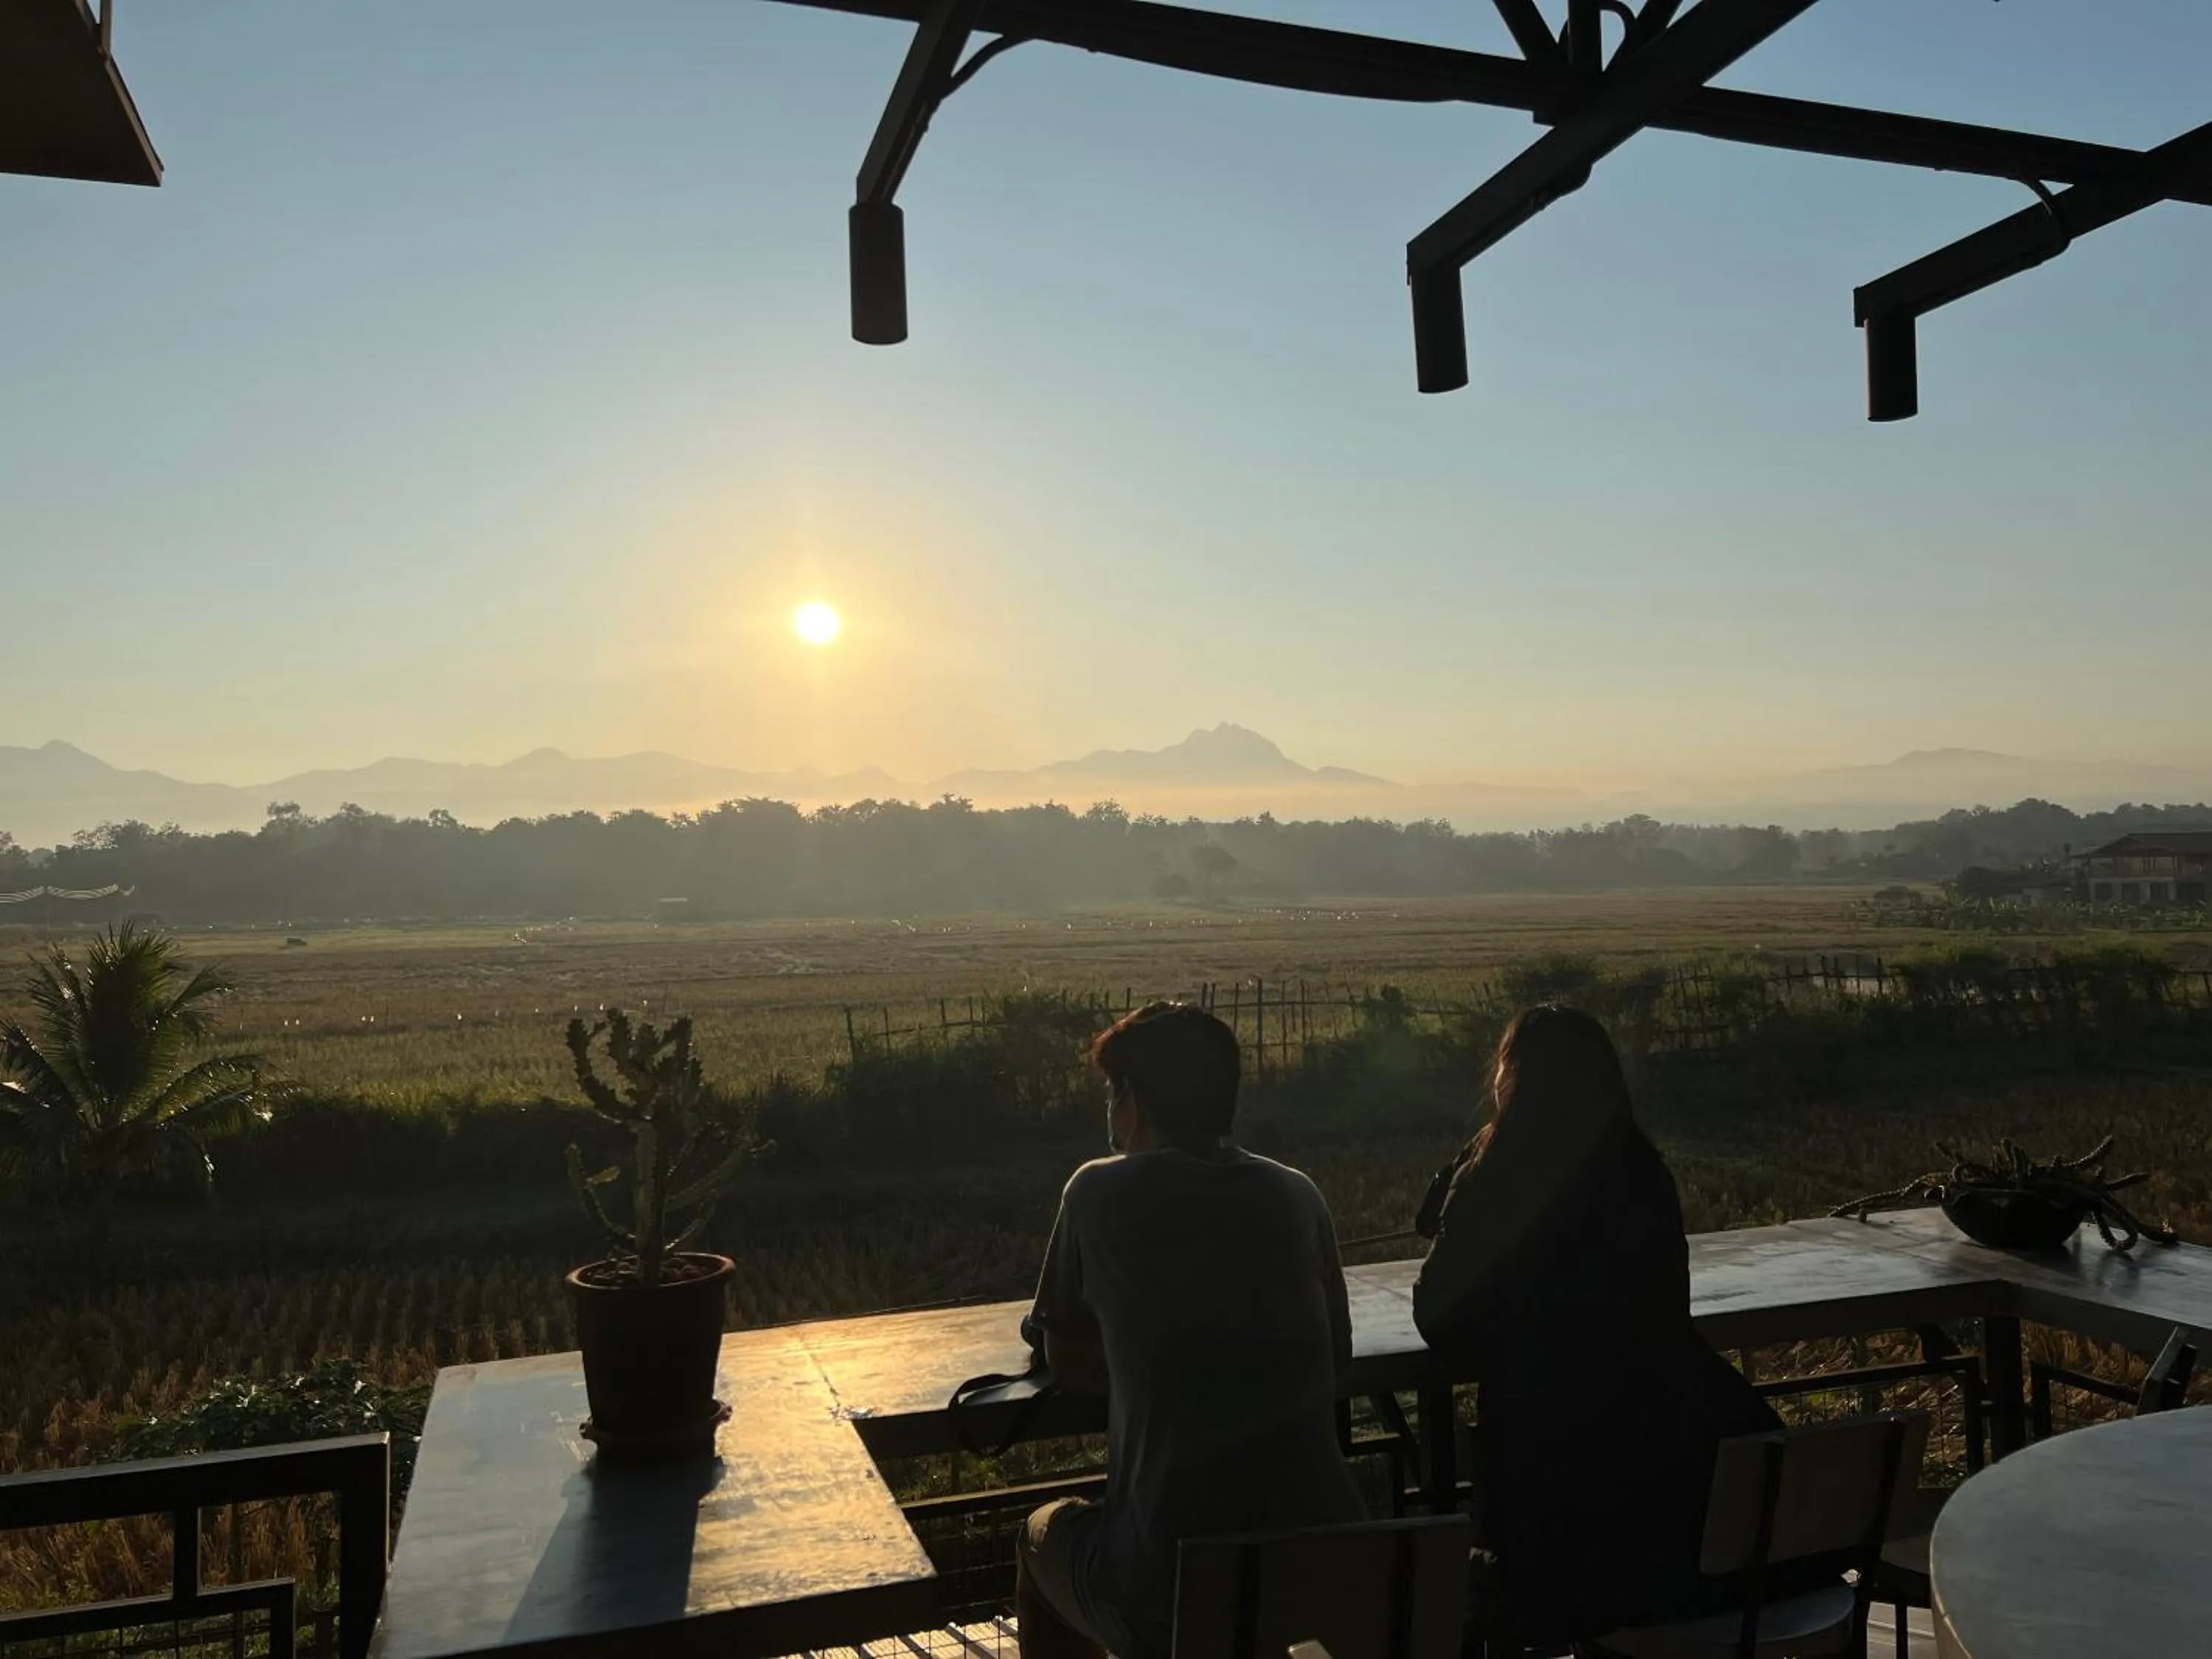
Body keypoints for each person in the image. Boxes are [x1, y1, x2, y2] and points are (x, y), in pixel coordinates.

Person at [1411, 1005, 1782, 1646]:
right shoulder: (1642, 1171)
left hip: (1557, 1517)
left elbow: (1437, 1315)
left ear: (1514, 1080)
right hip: (1676, 1513)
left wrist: (1473, 1176)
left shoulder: (1504, 1178)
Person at [1018, 1001, 1367, 1659]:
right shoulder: (1298, 1193)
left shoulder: (1095, 1192)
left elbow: (1072, 1363)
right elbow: (1338, 1353)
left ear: (1135, 1099)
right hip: (1330, 1577)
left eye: (1111, 1091)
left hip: (1172, 1590)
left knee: (1041, 1536)